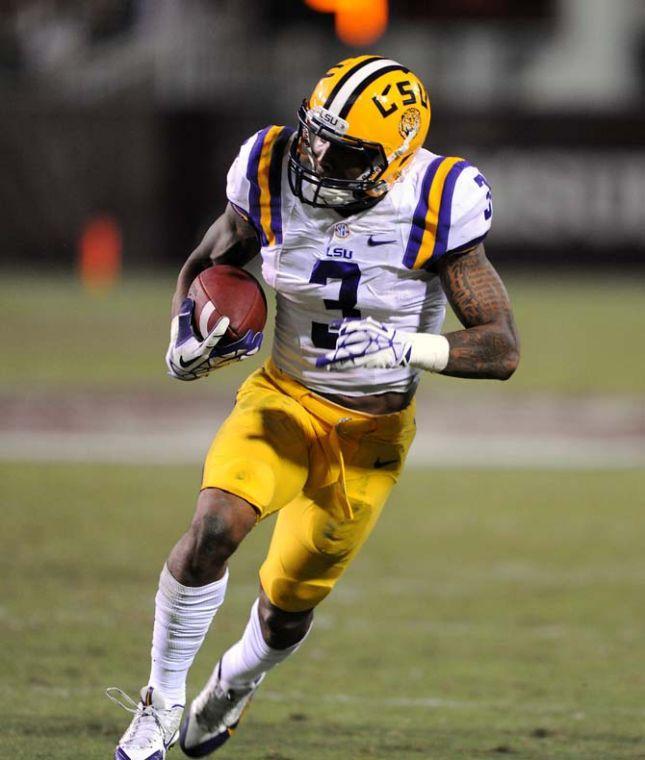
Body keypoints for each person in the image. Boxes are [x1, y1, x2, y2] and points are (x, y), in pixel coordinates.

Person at [109, 54, 520, 760]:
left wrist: (404, 348)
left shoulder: (438, 197)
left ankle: (232, 685)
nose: (318, 157)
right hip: (282, 399)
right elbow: (214, 259)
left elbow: (500, 347)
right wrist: (185, 329)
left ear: (393, 157)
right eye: (315, 135)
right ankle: (161, 700)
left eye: (345, 149)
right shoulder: (268, 165)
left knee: (287, 607)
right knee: (214, 527)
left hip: (371, 432)